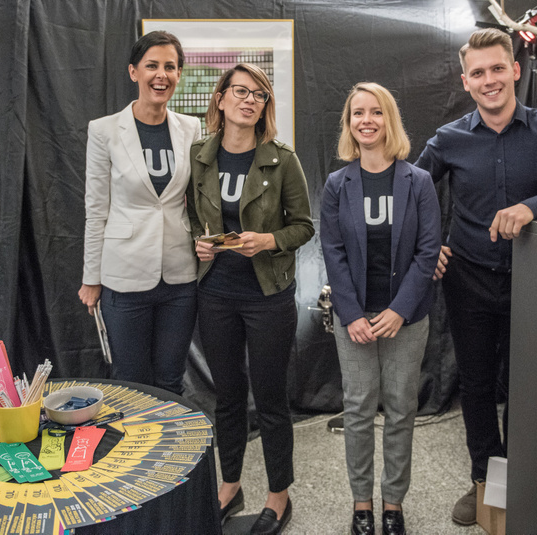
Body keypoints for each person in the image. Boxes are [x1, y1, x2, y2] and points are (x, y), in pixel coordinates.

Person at [415, 28, 537, 525]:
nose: (489, 79)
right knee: (474, 386)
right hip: (468, 279)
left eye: (498, 68)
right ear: (466, 82)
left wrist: (532, 206)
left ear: (515, 70)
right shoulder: (448, 138)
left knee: (526, 387)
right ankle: (484, 482)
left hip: (535, 282)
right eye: (478, 73)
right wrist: (426, 248)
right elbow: (412, 193)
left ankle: (521, 480)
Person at [187, 63, 314, 534]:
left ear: (264, 107)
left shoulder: (282, 159)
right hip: (215, 293)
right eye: (240, 91)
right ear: (220, 99)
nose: (248, 100)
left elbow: (304, 226)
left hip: (267, 295)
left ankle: (279, 494)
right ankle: (231, 485)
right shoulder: (200, 154)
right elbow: (192, 218)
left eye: (258, 95)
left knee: (271, 398)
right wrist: (198, 244)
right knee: (227, 397)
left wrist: (268, 240)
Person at [321, 83, 441, 535]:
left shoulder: (419, 181)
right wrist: (352, 314)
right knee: (357, 410)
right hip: (354, 318)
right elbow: (332, 252)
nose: (366, 120)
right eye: (358, 113)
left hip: (404, 319)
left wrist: (399, 310)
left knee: (401, 409)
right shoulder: (338, 184)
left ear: (389, 119)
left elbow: (428, 252)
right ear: (349, 123)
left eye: (375, 112)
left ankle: (393, 504)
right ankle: (362, 506)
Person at [78, 31, 201, 396]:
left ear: (179, 74)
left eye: (170, 67)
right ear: (134, 72)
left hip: (180, 278)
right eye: (152, 66)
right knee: (131, 382)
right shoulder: (104, 130)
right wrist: (91, 277)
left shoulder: (191, 128)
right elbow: (96, 209)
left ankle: (170, 437)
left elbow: (198, 199)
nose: (161, 75)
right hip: (124, 277)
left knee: (170, 380)